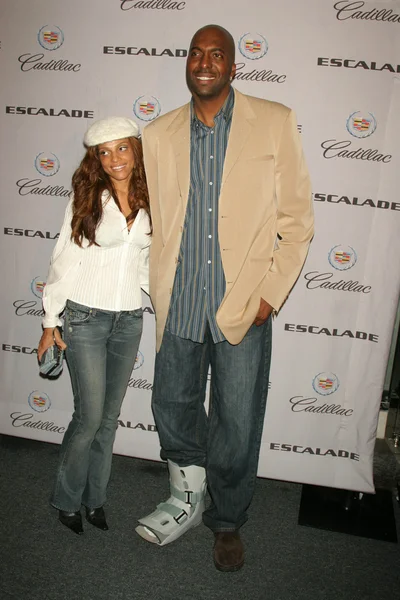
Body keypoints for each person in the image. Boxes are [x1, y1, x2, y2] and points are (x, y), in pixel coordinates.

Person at [135, 24, 314, 571]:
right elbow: (146, 219)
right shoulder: (157, 133)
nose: (204, 61)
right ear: (186, 64)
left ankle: (227, 519)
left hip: (243, 306)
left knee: (237, 420)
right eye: (196, 53)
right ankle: (186, 497)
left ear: (234, 66)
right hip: (181, 301)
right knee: (173, 405)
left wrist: (270, 296)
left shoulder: (275, 121)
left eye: (217, 54)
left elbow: (297, 220)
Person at [37, 117, 151, 535]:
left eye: (121, 148)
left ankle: (95, 499)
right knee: (87, 419)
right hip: (85, 317)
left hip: (130, 319)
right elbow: (63, 259)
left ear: (136, 149)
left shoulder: (148, 197)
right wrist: (51, 320)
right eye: (104, 152)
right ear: (95, 159)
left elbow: (142, 264)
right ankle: (67, 500)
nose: (114, 159)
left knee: (109, 418)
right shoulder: (87, 197)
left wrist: (165, 301)